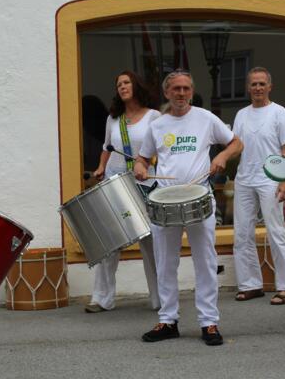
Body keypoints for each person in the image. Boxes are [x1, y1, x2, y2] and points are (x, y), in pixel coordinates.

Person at [134, 69, 243, 346]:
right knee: (165, 262)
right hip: (165, 200)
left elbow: (236, 142)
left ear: (191, 92)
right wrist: (140, 168)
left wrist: (222, 156)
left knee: (205, 261)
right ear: (167, 93)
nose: (181, 93)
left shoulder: (205, 118)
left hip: (199, 197)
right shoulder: (158, 125)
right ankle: (168, 320)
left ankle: (209, 322)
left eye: (186, 88)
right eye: (176, 89)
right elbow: (142, 159)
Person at [86, 71, 161, 313]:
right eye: (119, 84)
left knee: (151, 243)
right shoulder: (113, 119)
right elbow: (107, 148)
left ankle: (160, 299)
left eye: (126, 82)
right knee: (110, 242)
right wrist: (101, 167)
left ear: (136, 86)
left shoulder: (154, 116)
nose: (122, 87)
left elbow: (160, 149)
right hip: (116, 184)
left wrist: (147, 164)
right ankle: (102, 299)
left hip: (144, 184)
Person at [232, 67, 285, 305]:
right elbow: (236, 146)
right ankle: (250, 285)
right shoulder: (241, 114)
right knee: (242, 233)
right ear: (248, 87)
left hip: (270, 178)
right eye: (254, 84)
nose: (258, 88)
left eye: (262, 84)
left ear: (270, 86)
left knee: (276, 231)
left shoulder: (278, 112)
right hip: (244, 178)